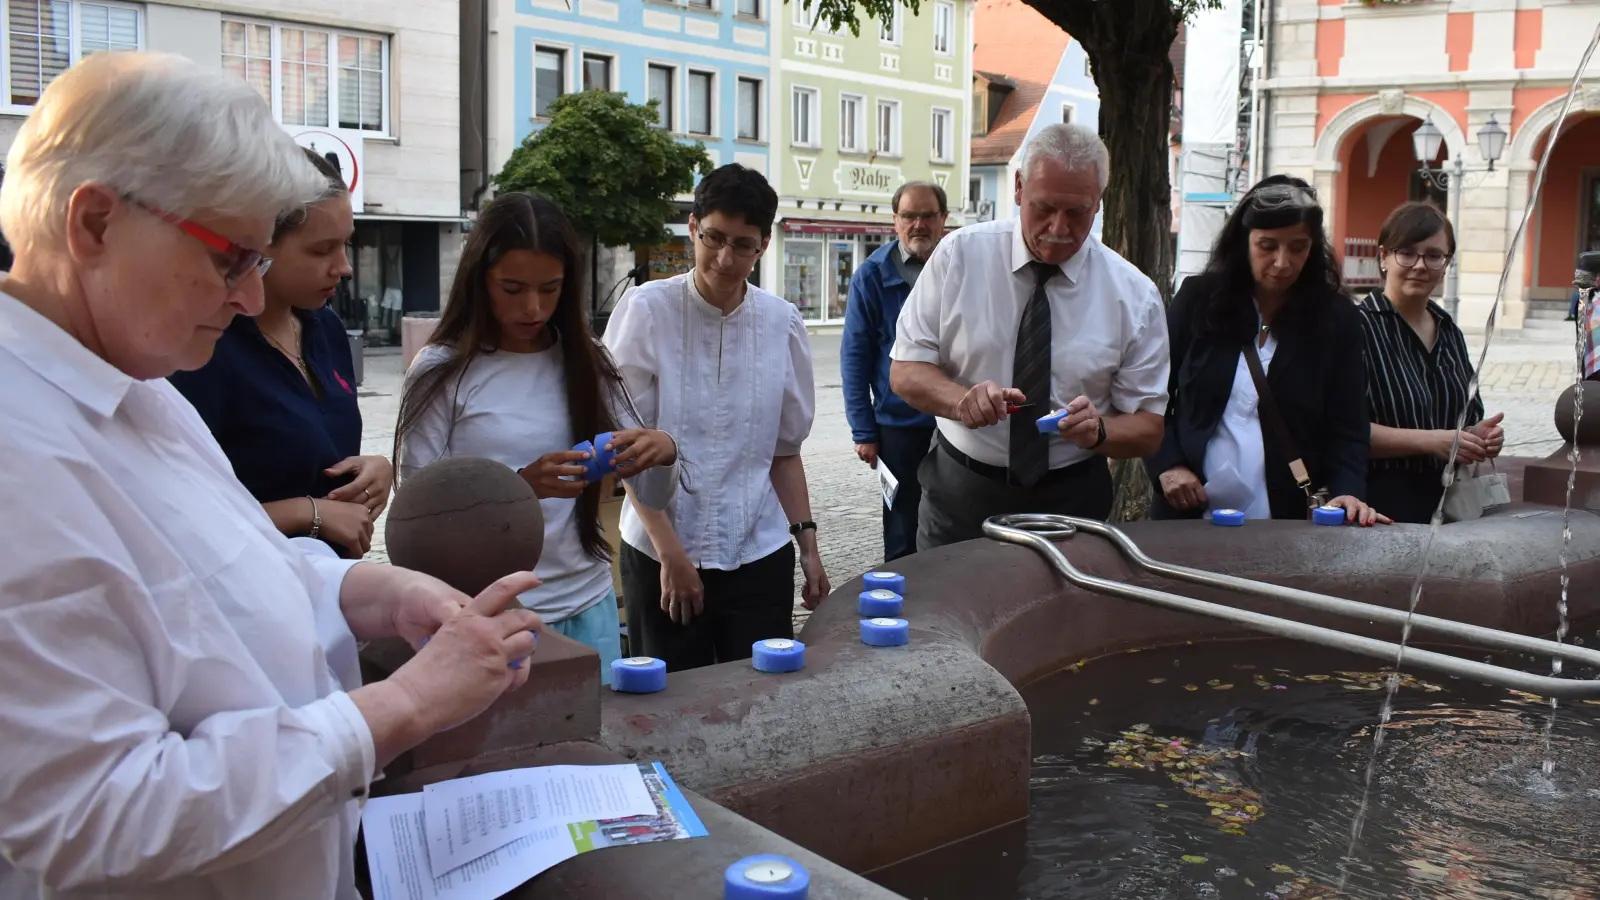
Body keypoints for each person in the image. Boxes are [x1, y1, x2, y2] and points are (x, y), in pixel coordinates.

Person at [0, 52, 543, 899]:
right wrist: (404, 707)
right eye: (230, 259)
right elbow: (95, 817)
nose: (251, 300)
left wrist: (378, 594)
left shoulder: (135, 381)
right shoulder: (18, 450)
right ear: (95, 223)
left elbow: (238, 564)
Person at [395, 192, 680, 683]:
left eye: (550, 289)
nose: (532, 307)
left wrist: (664, 453)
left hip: (589, 604)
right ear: (479, 280)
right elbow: (416, 517)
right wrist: (519, 487)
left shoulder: (586, 358)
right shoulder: (442, 370)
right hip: (487, 616)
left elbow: (651, 493)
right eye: (512, 288)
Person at [890, 123, 1169, 550]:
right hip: (964, 490)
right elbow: (905, 371)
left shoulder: (1134, 295)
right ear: (1019, 188)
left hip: (1072, 499)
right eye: (1044, 208)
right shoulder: (959, 257)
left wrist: (1100, 433)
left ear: (1099, 202)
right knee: (950, 616)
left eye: (1078, 212)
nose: (1058, 228)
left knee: (1066, 618)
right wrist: (960, 401)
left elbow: (1149, 428)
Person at [604, 163, 830, 672]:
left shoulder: (781, 323)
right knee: (668, 703)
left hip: (758, 552)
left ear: (764, 245)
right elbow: (625, 450)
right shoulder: (645, 311)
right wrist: (671, 554)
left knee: (760, 699)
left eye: (744, 245)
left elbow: (784, 451)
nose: (726, 259)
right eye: (714, 238)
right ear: (693, 228)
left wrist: (809, 547)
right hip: (660, 552)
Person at [169, 147, 387, 559]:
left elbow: (322, 450)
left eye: (346, 245)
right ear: (256, 244)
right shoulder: (203, 347)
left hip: (332, 595)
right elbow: (173, 517)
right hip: (246, 597)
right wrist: (306, 513)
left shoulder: (327, 328)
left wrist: (373, 469)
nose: (344, 267)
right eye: (322, 250)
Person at [1145, 176, 1388, 525]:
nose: (1282, 262)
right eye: (1267, 246)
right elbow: (1152, 396)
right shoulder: (1198, 301)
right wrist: (1167, 466)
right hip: (1190, 512)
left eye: (1298, 247)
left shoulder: (1336, 318)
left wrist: (1347, 490)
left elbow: (1348, 426)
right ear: (1243, 242)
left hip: (1288, 519)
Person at [1360, 202, 1504, 524]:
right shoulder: (1357, 328)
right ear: (1383, 256)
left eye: (1434, 255)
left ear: (1446, 263)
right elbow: (1344, 431)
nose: (1420, 265)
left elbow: (1465, 412)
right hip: (1379, 509)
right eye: (1407, 252)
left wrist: (1476, 436)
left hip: (1451, 507)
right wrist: (1432, 442)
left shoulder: (1448, 329)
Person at [841, 180, 945, 562]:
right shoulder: (872, 276)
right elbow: (855, 357)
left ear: (943, 219)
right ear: (895, 221)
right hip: (898, 428)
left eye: (927, 216)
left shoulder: (958, 266)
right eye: (909, 216)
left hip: (957, 421)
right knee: (902, 527)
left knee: (954, 521)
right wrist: (864, 430)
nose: (918, 224)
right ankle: (905, 610)